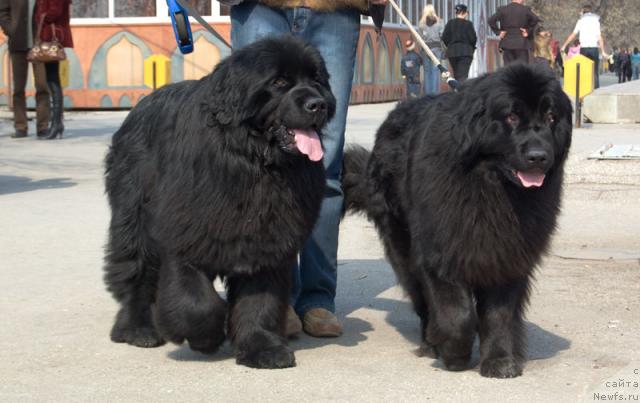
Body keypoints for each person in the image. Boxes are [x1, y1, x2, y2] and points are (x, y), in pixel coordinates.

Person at [226, 0, 388, 338]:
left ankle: (318, 298)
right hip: (259, 7)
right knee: (256, 162)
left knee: (324, 164)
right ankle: (273, 295)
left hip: (336, 9)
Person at [0, 0, 50, 139]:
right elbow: (3, 12)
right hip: (18, 45)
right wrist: (12, 30)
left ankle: (43, 127)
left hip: (39, 46)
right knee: (18, 89)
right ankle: (20, 127)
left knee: (42, 87)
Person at [34, 0, 73, 140]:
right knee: (52, 81)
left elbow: (55, 10)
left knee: (53, 81)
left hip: (51, 37)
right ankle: (57, 124)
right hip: (50, 36)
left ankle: (56, 124)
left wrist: (40, 17)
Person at [560, 4, 608, 89]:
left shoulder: (580, 21)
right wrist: (603, 51)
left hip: (584, 49)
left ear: (583, 12)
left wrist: (564, 45)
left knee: (583, 70)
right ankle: (596, 91)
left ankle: (584, 90)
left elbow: (573, 35)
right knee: (594, 71)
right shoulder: (596, 21)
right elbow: (599, 37)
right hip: (594, 48)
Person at [488, 0, 540, 65]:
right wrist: (527, 31)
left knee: (509, 69)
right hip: (521, 43)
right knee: (521, 68)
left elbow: (491, 20)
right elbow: (535, 19)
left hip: (507, 43)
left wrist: (498, 32)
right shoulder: (525, 9)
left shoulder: (503, 9)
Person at [441, 4, 477, 82]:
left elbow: (444, 38)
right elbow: (473, 39)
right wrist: (471, 48)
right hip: (466, 52)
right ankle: (461, 92)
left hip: (452, 53)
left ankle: (457, 91)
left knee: (456, 74)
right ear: (465, 13)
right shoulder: (468, 24)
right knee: (463, 75)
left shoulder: (450, 23)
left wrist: (451, 45)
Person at [417, 4, 444, 95]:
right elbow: (442, 37)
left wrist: (420, 50)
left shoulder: (421, 24)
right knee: (435, 71)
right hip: (437, 48)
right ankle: (435, 94)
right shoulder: (439, 23)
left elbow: (419, 39)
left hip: (426, 49)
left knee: (427, 71)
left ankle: (428, 94)